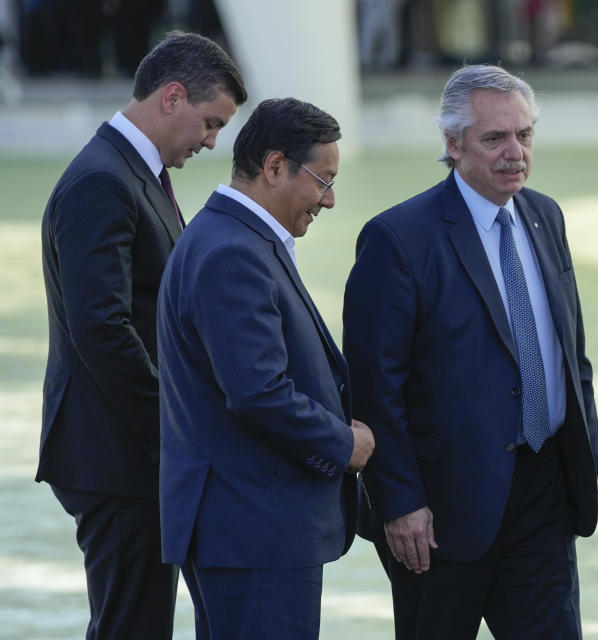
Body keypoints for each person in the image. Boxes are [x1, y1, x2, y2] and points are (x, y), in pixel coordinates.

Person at [343, 64, 598, 639]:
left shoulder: (546, 215)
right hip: (440, 516)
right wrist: (399, 502)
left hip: (545, 495)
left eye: (525, 135)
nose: (515, 152)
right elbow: (373, 387)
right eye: (495, 139)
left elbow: (570, 348)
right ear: (452, 144)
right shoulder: (397, 240)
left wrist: (587, 461)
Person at [38, 31, 245, 639]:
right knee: (132, 627)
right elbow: (101, 328)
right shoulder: (103, 181)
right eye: (210, 123)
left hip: (127, 448)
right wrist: (174, 431)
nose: (211, 141)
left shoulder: (129, 171)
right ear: (173, 97)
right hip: (117, 455)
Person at [157, 97, 375, 639]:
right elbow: (258, 391)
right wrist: (343, 444)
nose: (328, 200)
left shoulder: (227, 238)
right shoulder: (233, 252)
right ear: (275, 167)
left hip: (244, 527)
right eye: (322, 180)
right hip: (254, 529)